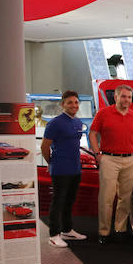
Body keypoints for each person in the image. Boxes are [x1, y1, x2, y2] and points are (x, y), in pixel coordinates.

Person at [89, 84, 133, 244]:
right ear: (116, 97)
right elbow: (92, 134)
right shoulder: (104, 113)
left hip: (131, 160)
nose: (126, 99)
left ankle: (120, 229)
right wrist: (97, 154)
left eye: (129, 97)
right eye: (123, 96)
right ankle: (104, 232)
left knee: (125, 198)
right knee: (106, 197)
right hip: (109, 159)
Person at [41, 90, 88, 247]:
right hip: (60, 169)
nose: (74, 105)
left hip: (75, 168)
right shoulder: (55, 123)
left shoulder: (77, 122)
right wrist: (51, 163)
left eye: (76, 102)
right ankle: (54, 234)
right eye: (70, 103)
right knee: (58, 201)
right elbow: (44, 146)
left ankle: (67, 230)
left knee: (69, 201)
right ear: (63, 105)